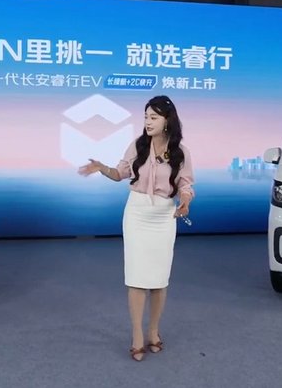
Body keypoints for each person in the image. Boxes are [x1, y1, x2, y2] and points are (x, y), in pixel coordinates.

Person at [78, 95, 195, 362]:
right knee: (137, 276)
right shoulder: (138, 145)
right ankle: (137, 335)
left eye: (153, 117)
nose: (148, 122)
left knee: (159, 279)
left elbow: (186, 184)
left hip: (164, 217)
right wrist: (101, 167)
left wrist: (185, 202)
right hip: (137, 214)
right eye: (145, 117)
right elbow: (120, 173)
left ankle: (153, 331)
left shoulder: (181, 152)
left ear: (167, 120)